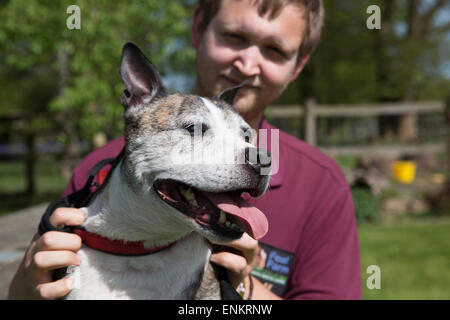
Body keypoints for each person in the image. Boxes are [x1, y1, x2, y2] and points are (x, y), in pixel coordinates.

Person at [8, 0, 361, 300]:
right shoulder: (98, 173)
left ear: (299, 65)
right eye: (235, 37)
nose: (248, 65)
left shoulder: (321, 185)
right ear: (198, 29)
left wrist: (246, 292)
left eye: (275, 50)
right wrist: (27, 285)